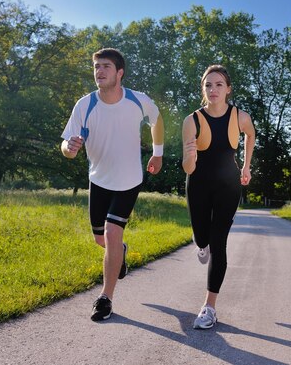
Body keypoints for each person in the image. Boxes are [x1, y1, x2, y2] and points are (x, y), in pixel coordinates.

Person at [61, 47, 164, 321]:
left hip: (129, 180)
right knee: (100, 239)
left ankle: (105, 298)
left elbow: (157, 120)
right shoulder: (85, 105)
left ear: (119, 73)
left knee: (111, 232)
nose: (99, 72)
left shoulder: (138, 101)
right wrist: (69, 149)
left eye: (105, 66)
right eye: (96, 67)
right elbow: (66, 145)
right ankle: (120, 253)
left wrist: (158, 152)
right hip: (99, 180)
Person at [181, 64, 255, 329]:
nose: (213, 90)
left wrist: (246, 167)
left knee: (218, 242)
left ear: (228, 89)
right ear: (203, 89)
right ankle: (201, 243)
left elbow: (251, 134)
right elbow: (188, 168)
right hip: (198, 185)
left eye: (219, 85)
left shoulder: (240, 117)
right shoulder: (192, 120)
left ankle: (209, 307)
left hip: (228, 187)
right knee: (203, 238)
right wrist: (190, 156)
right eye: (208, 85)